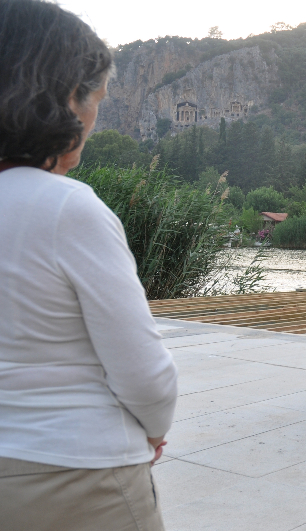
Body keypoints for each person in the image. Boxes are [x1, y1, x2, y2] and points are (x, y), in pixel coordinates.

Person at [0, 2, 178, 530]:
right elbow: (144, 373)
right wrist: (153, 429)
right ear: (64, 101)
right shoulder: (66, 207)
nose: (94, 120)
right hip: (73, 477)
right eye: (95, 99)